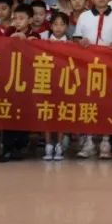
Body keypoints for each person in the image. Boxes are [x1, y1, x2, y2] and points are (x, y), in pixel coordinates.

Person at [73, 0, 112, 160]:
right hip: (88, 66)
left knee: (106, 103)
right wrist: (81, 42)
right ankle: (89, 141)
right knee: (89, 102)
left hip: (109, 66)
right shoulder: (85, 16)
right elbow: (76, 39)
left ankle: (105, 141)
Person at [40, 12, 73, 161]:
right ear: (51, 26)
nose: (58, 28)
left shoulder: (71, 44)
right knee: (47, 113)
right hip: (46, 82)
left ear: (67, 27)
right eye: (55, 24)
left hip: (64, 83)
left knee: (61, 113)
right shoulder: (43, 42)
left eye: (62, 24)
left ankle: (59, 144)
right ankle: (48, 144)